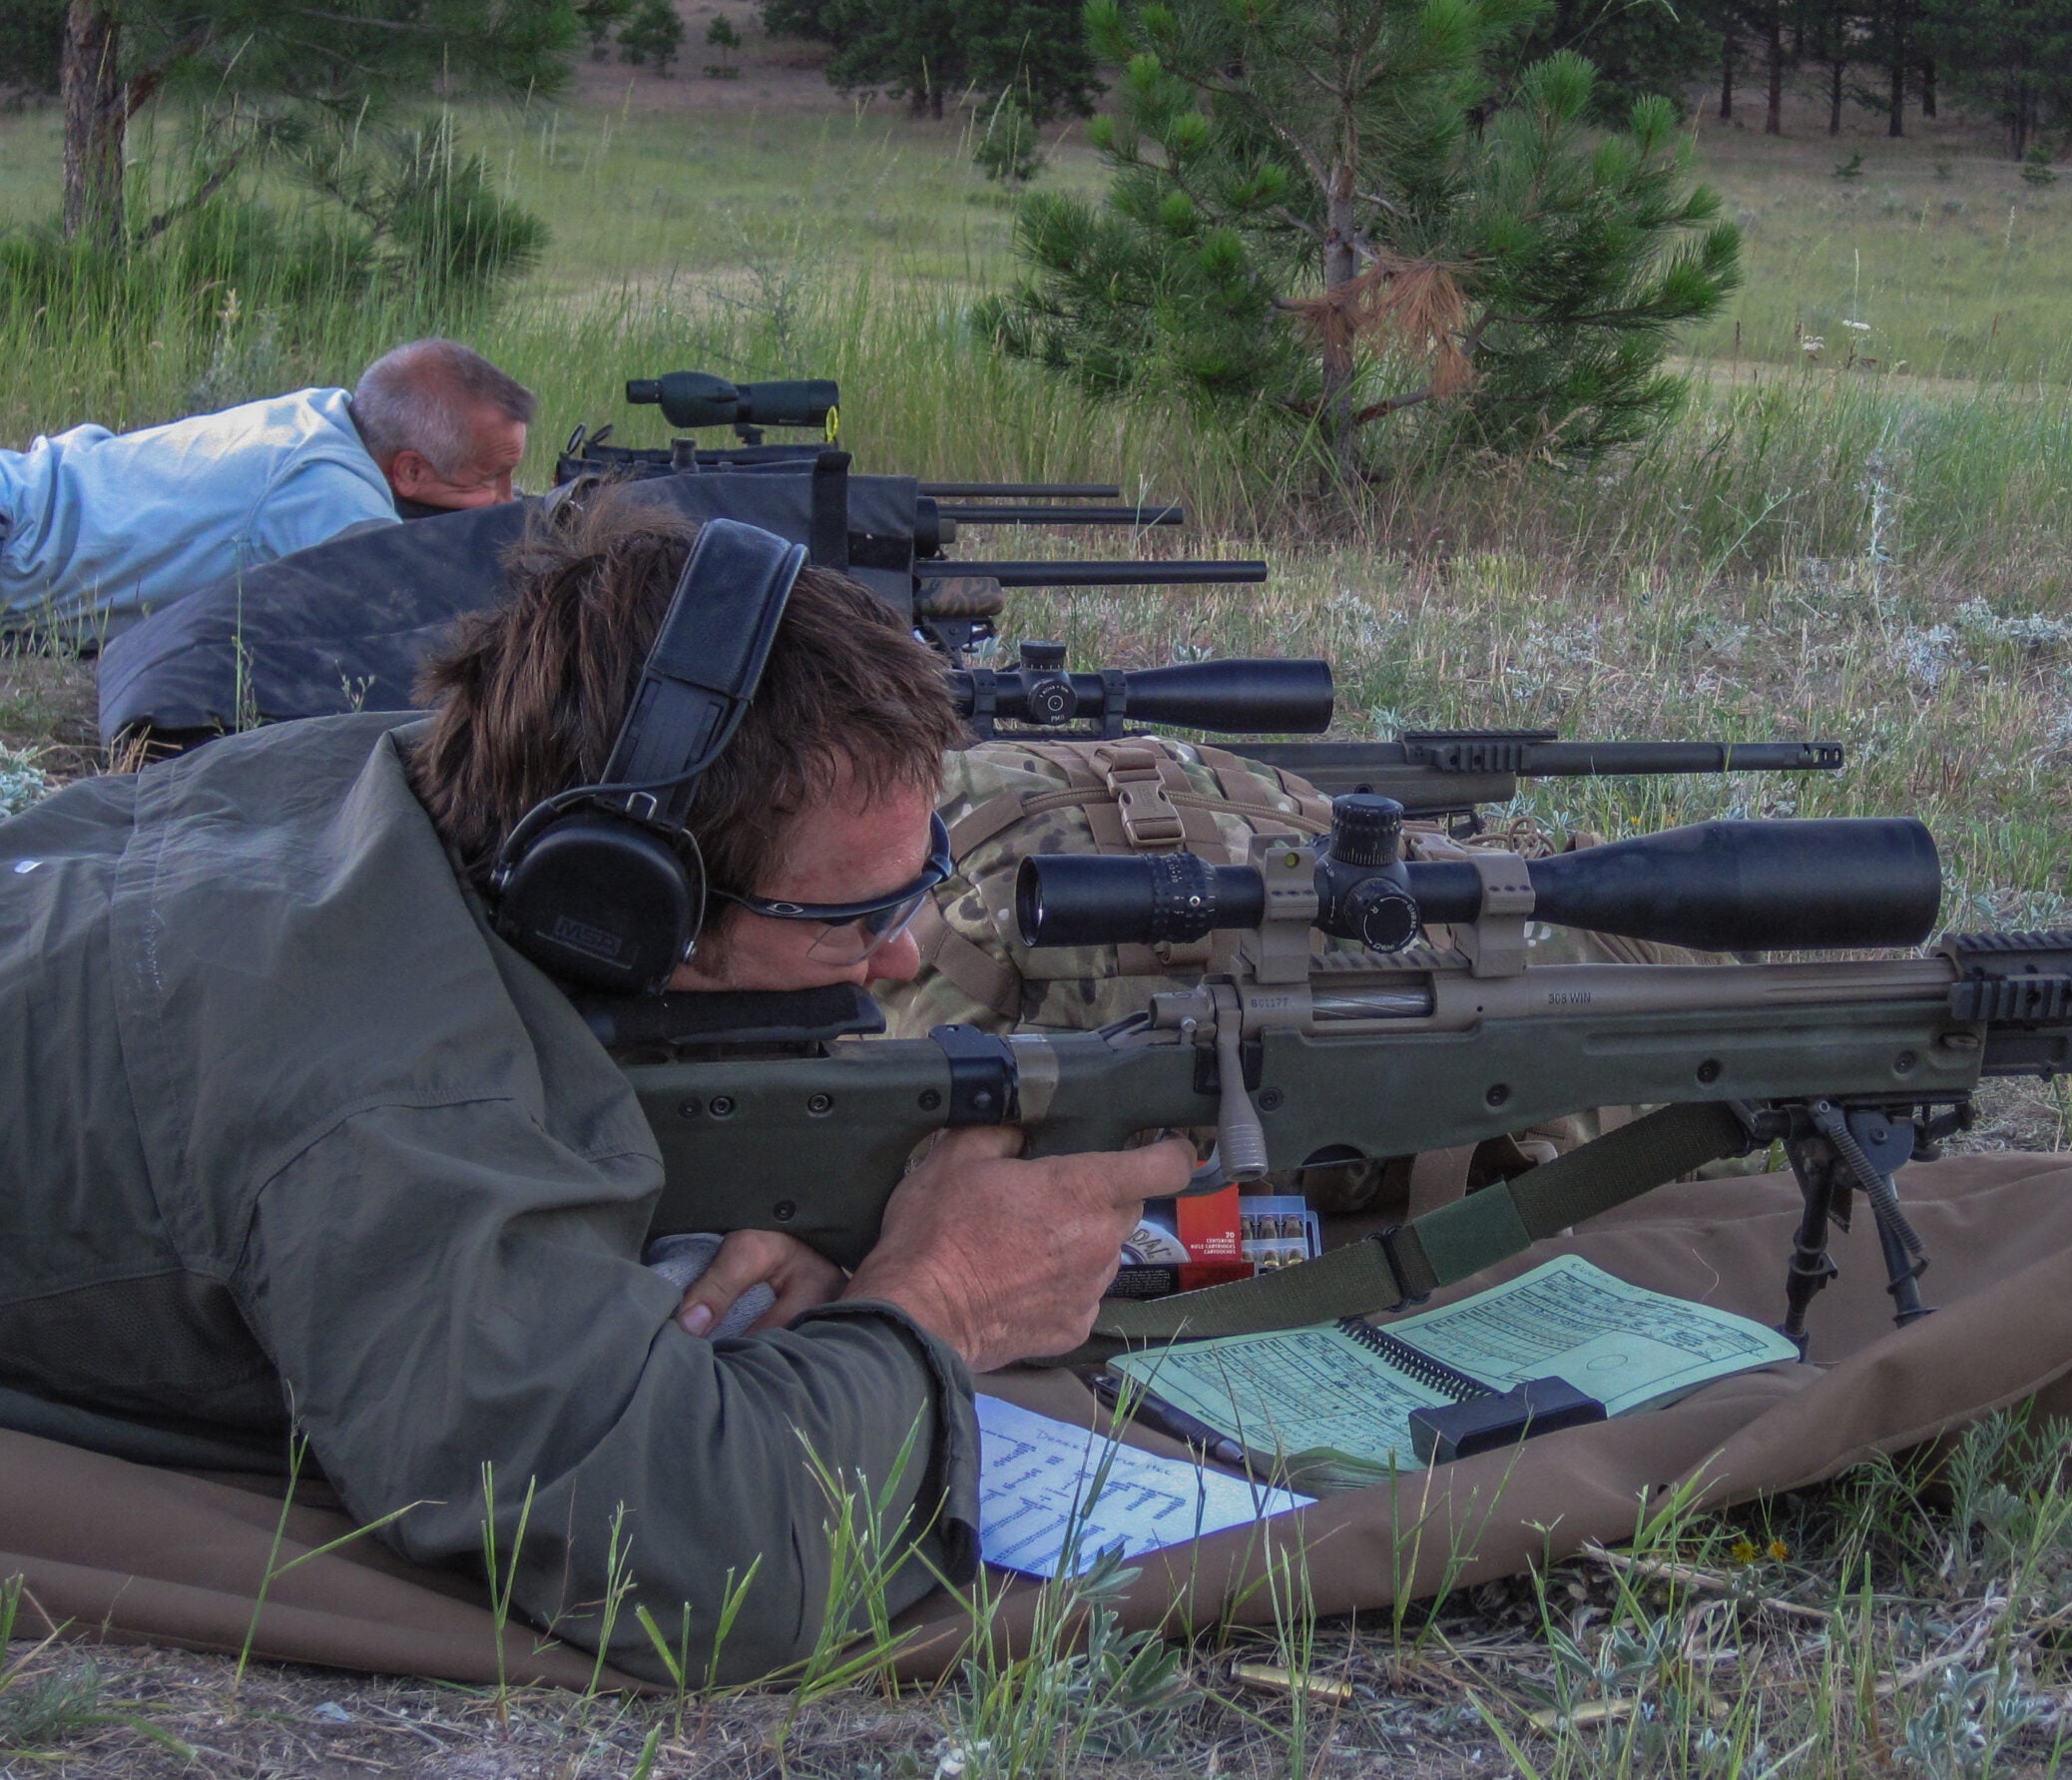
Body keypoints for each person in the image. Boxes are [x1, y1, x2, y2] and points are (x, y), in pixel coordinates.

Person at [0, 496, 1191, 1679]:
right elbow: (705, 1569)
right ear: (618, 905)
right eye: (850, 916)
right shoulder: (393, 1108)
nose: (901, 955)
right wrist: (945, 1297)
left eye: (918, 877)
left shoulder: (346, 787)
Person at [0, 337, 533, 635]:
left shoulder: (321, 415)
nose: (506, 498)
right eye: (490, 479)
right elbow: (433, 622)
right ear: (411, 470)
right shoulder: (326, 495)